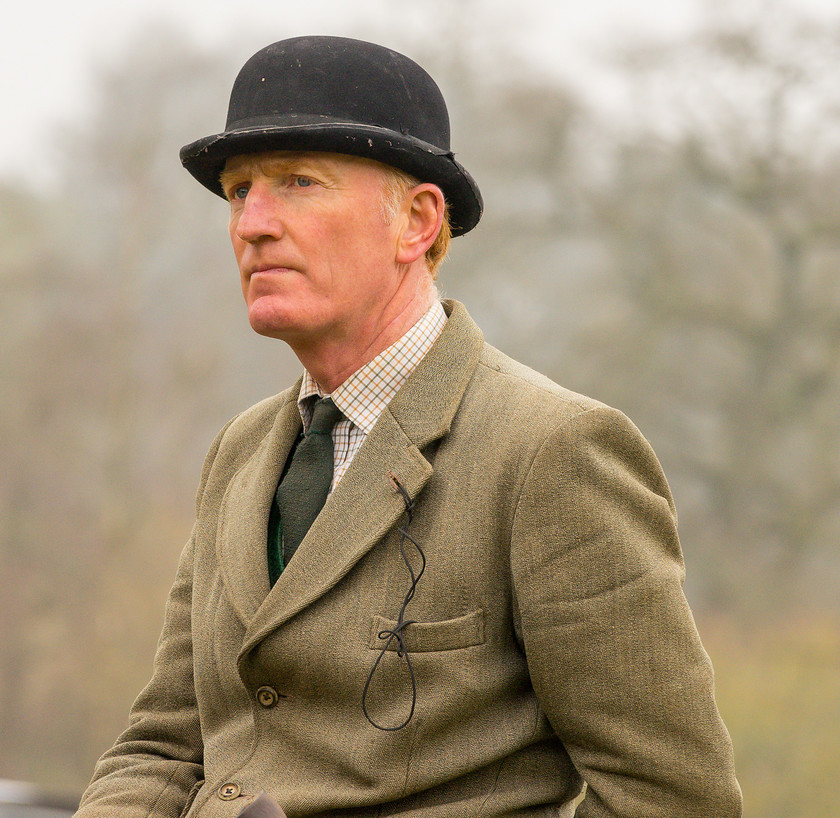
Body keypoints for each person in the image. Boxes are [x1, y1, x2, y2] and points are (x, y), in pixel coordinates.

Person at [74, 35, 742, 818]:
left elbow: (672, 797)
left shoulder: (553, 451)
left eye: (298, 183)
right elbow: (162, 747)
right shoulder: (240, 453)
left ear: (418, 222)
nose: (253, 222)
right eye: (238, 190)